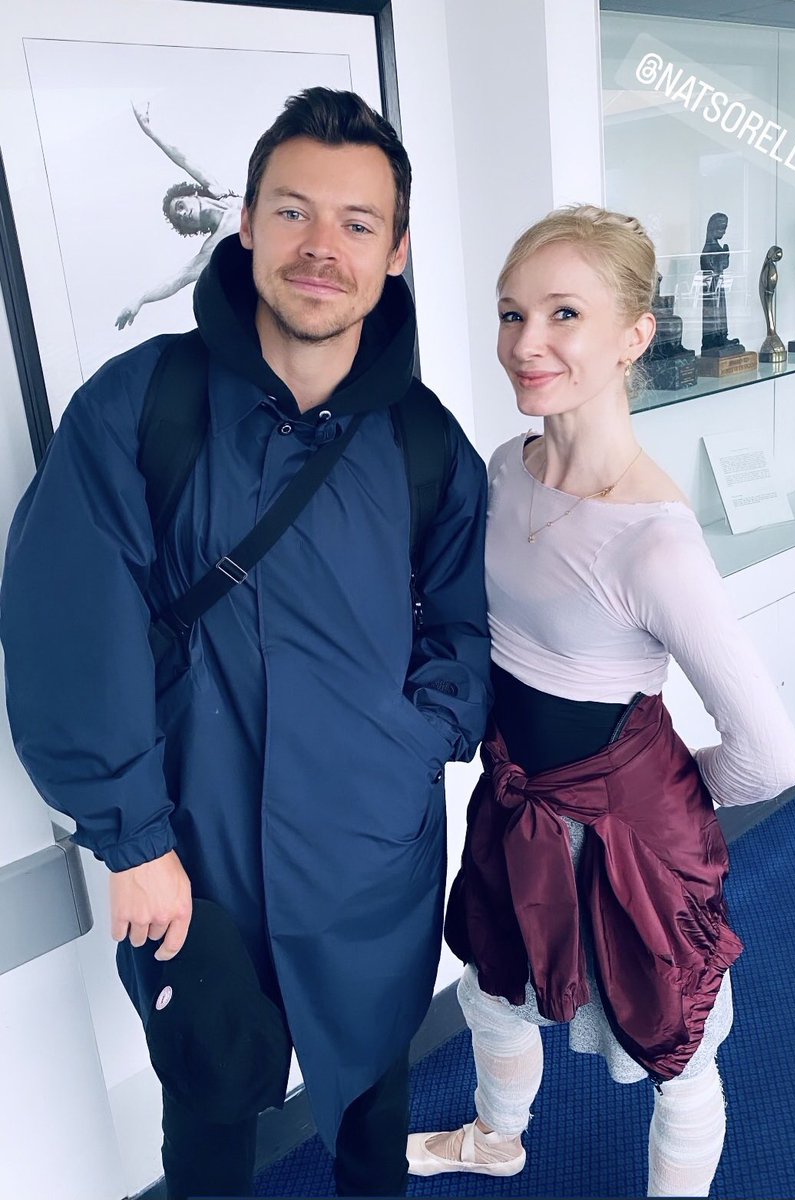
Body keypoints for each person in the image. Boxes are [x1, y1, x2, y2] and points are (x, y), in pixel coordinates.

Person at [1, 88, 492, 1199]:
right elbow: (64, 624)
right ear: (248, 225)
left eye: (357, 223)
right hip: (190, 852)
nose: (322, 248)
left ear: (397, 248)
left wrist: (410, 741)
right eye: (294, 213)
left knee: (372, 1100)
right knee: (209, 1113)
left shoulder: (424, 443)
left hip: (371, 849)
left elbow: (463, 627)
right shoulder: (140, 406)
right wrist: (130, 837)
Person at [406, 205, 795, 1197]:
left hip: (625, 841)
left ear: (633, 335)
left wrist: (650, 796)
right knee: (493, 991)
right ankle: (498, 1138)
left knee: (672, 1043)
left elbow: (770, 757)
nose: (524, 342)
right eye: (510, 313)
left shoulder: (653, 541)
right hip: (512, 805)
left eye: (561, 314)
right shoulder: (507, 465)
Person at [115, 100, 243, 328]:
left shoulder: (220, 192)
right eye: (179, 218)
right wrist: (141, 299)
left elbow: (182, 158)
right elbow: (179, 278)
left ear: (192, 194)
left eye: (180, 206)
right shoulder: (214, 245)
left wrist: (149, 131)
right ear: (191, 229)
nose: (182, 214)